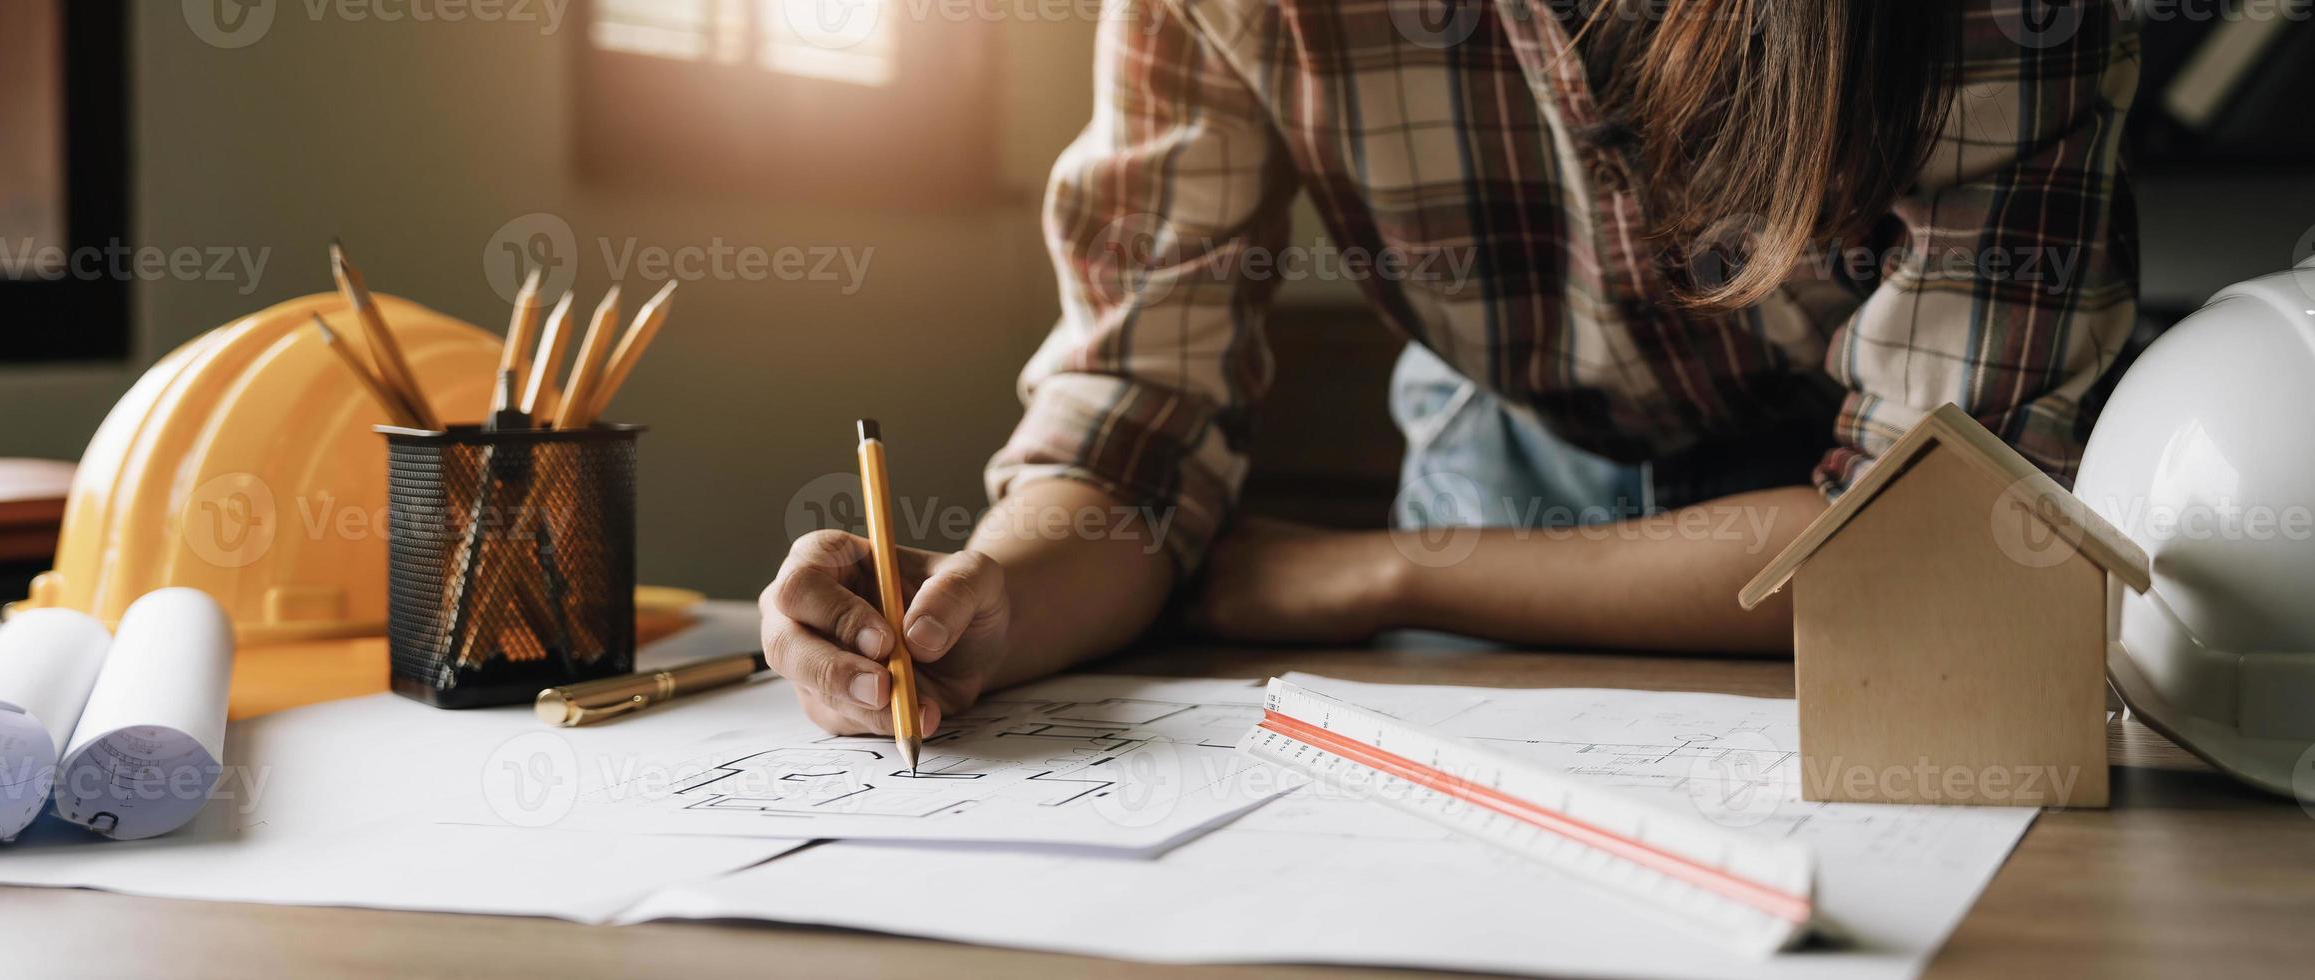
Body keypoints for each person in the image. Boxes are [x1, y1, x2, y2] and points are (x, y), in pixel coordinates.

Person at [760, 0, 2142, 738]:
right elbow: (1137, 424)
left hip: (1806, 523)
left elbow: (1927, 539)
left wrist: (1388, 572)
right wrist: (993, 596)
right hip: (1510, 454)